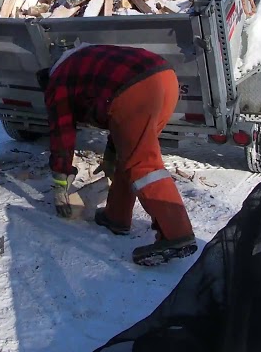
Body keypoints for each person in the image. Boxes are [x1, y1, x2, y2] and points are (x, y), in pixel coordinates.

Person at [37, 44, 198, 266]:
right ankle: (117, 216)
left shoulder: (58, 84)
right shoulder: (80, 62)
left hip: (138, 89)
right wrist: (110, 157)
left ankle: (177, 233)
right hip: (165, 78)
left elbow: (62, 134)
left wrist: (60, 180)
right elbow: (115, 108)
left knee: (144, 165)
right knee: (131, 155)